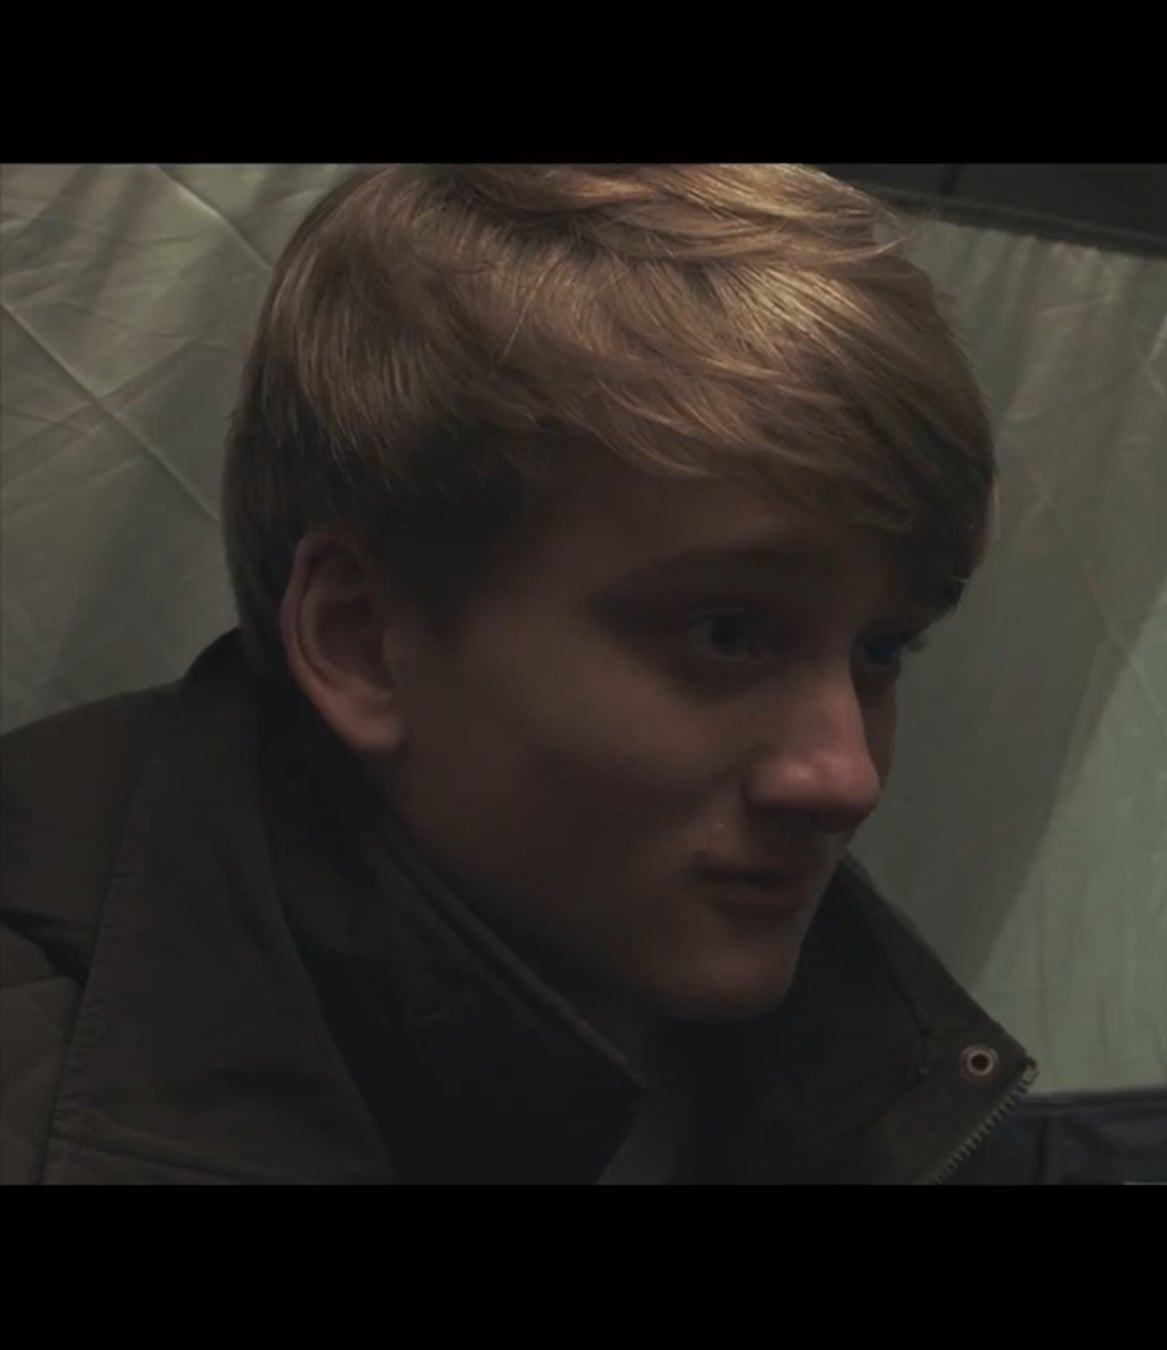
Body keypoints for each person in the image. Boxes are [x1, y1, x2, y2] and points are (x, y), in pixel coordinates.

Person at [0, 164, 1033, 1184]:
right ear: (362, 641)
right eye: (727, 633)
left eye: (882, 649)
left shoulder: (880, 1085)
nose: (845, 778)